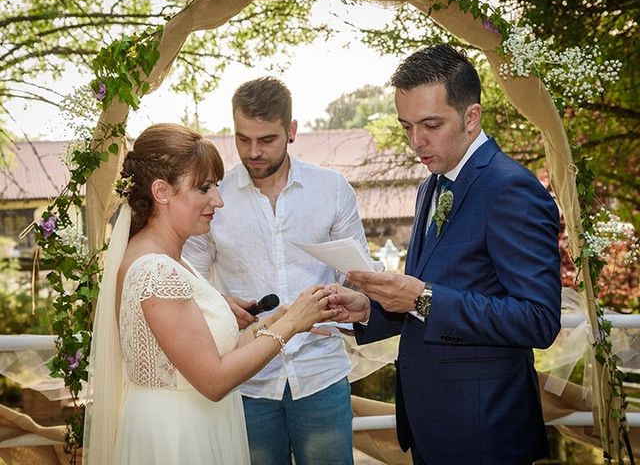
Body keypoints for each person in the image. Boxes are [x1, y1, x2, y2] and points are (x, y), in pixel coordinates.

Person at [329, 45, 562, 464]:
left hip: (484, 429)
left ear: (471, 117)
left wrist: (421, 297)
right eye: (406, 127)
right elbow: (433, 293)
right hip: (429, 423)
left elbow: (538, 320)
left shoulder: (511, 188)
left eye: (431, 125)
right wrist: (368, 309)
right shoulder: (430, 186)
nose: (416, 142)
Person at [82, 123, 339, 464]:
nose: (217, 200)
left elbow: (215, 352)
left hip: (192, 421)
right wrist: (288, 328)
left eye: (216, 186)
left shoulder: (173, 260)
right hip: (178, 437)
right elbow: (214, 379)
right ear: (162, 192)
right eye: (203, 188)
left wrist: (283, 318)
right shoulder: (156, 271)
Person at [183, 77, 376, 464]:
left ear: (291, 131)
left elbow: (361, 276)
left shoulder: (332, 189)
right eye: (242, 139)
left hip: (321, 373)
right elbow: (190, 279)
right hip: (246, 381)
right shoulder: (213, 196)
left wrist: (352, 296)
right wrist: (220, 304)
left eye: (266, 140)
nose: (252, 152)